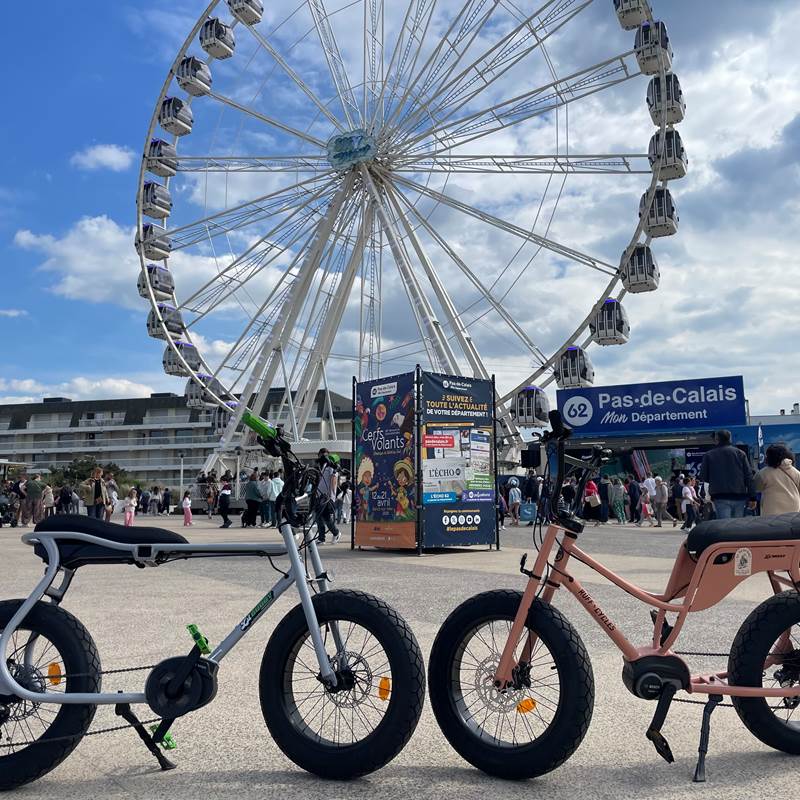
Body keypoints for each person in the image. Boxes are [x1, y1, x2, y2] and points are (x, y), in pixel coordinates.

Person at [699, 430, 755, 519]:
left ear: (717, 439)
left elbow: (703, 476)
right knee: (737, 525)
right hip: (739, 496)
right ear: (730, 439)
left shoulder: (709, 455)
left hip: (720, 496)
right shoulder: (741, 453)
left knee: (724, 526)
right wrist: (753, 497)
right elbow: (749, 476)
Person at [755, 444, 800, 516]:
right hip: (793, 509)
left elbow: (757, 487)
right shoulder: (796, 472)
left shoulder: (763, 473)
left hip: (772, 510)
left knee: (773, 526)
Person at [315, 448, 340, 544]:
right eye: (321, 455)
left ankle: (336, 532)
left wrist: (331, 495)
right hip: (319, 496)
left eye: (325, 455)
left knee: (326, 518)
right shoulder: (322, 467)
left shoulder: (331, 466)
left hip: (327, 497)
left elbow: (333, 480)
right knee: (318, 517)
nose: (323, 457)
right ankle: (321, 538)